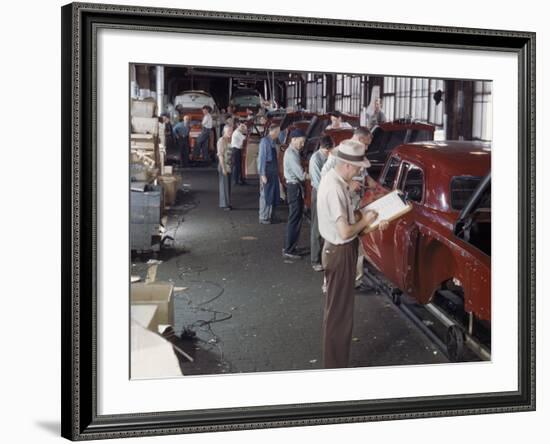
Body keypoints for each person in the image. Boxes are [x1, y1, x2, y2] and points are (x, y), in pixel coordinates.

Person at [317, 139, 388, 369]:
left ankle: (335, 364)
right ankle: (335, 369)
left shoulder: (333, 180)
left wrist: (369, 222)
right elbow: (345, 230)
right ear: (347, 165)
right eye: (358, 168)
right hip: (340, 252)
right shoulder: (336, 188)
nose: (359, 173)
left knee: (338, 312)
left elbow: (349, 221)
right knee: (340, 315)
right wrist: (366, 221)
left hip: (336, 250)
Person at [309, 135, 335, 271]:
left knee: (327, 227)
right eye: (327, 151)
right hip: (319, 194)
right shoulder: (315, 159)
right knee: (317, 227)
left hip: (328, 194)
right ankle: (315, 260)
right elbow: (319, 182)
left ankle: (326, 257)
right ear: (322, 148)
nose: (329, 153)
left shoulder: (330, 157)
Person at [282, 128, 309, 260]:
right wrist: (314, 176)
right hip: (294, 188)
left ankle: (291, 246)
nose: (302, 145)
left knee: (295, 218)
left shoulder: (293, 152)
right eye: (301, 142)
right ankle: (289, 249)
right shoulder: (292, 154)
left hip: (293, 187)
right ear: (293, 140)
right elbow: (301, 175)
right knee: (294, 219)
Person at [258, 124, 281, 224]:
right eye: (278, 132)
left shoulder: (273, 141)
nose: (279, 134)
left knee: (273, 194)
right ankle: (263, 217)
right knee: (265, 194)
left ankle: (270, 216)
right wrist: (262, 174)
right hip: (267, 171)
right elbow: (262, 158)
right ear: (274, 132)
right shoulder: (265, 141)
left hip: (273, 171)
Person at [217, 125, 234, 211]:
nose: (230, 133)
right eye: (229, 131)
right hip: (224, 165)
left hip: (229, 165)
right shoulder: (221, 140)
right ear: (224, 131)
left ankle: (227, 203)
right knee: (224, 186)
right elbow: (220, 155)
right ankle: (225, 204)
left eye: (231, 131)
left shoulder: (229, 139)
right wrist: (223, 168)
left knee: (227, 186)